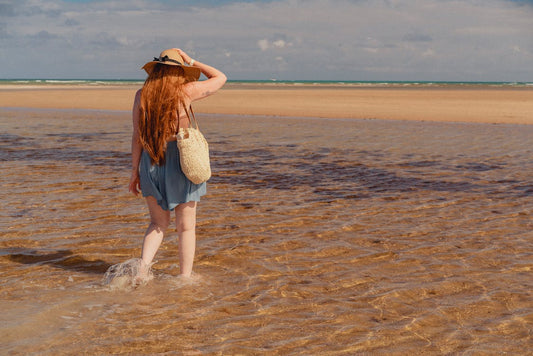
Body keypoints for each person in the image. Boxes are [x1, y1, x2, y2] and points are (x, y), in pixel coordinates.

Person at [128, 48, 226, 280]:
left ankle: (142, 269)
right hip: (180, 160)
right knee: (186, 227)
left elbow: (137, 135)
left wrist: (134, 172)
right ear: (179, 71)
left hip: (150, 159)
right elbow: (220, 77)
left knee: (157, 224)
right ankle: (184, 277)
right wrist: (191, 60)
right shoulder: (185, 91)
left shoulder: (142, 95)